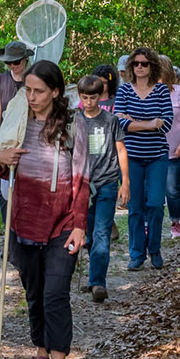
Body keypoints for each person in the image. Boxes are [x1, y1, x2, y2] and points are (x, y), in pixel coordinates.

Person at [0, 60, 90, 359]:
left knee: (55, 293)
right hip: (24, 220)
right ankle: (40, 350)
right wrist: (1, 160)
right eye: (28, 91)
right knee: (34, 292)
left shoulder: (73, 127)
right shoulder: (17, 123)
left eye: (38, 91)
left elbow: (81, 180)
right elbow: (4, 168)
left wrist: (80, 226)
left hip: (62, 222)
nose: (31, 97)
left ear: (55, 91)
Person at [114, 48, 173, 270]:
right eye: (136, 63)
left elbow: (166, 123)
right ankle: (136, 254)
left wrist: (133, 121)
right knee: (135, 207)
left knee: (156, 204)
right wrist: (149, 123)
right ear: (131, 66)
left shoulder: (161, 91)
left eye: (145, 64)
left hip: (157, 155)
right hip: (131, 158)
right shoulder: (124, 92)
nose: (140, 67)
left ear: (152, 67)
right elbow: (119, 124)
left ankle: (154, 249)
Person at [77, 75, 130, 302]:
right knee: (87, 234)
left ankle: (98, 282)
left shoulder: (110, 121)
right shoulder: (75, 121)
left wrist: (125, 181)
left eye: (93, 97)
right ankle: (91, 276)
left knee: (101, 233)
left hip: (107, 182)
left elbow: (121, 150)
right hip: (82, 184)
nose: (89, 102)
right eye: (84, 97)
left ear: (100, 97)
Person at [0, 40, 33, 223]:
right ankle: (8, 233)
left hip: (28, 143)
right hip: (6, 143)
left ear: (25, 59)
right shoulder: (1, 80)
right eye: (8, 62)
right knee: (4, 191)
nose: (12, 66)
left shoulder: (33, 78)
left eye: (16, 62)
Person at [158, 56, 180, 239]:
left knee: (171, 189)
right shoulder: (145, 93)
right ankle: (150, 224)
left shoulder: (179, 92)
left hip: (176, 150)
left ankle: (175, 221)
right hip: (152, 151)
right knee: (152, 191)